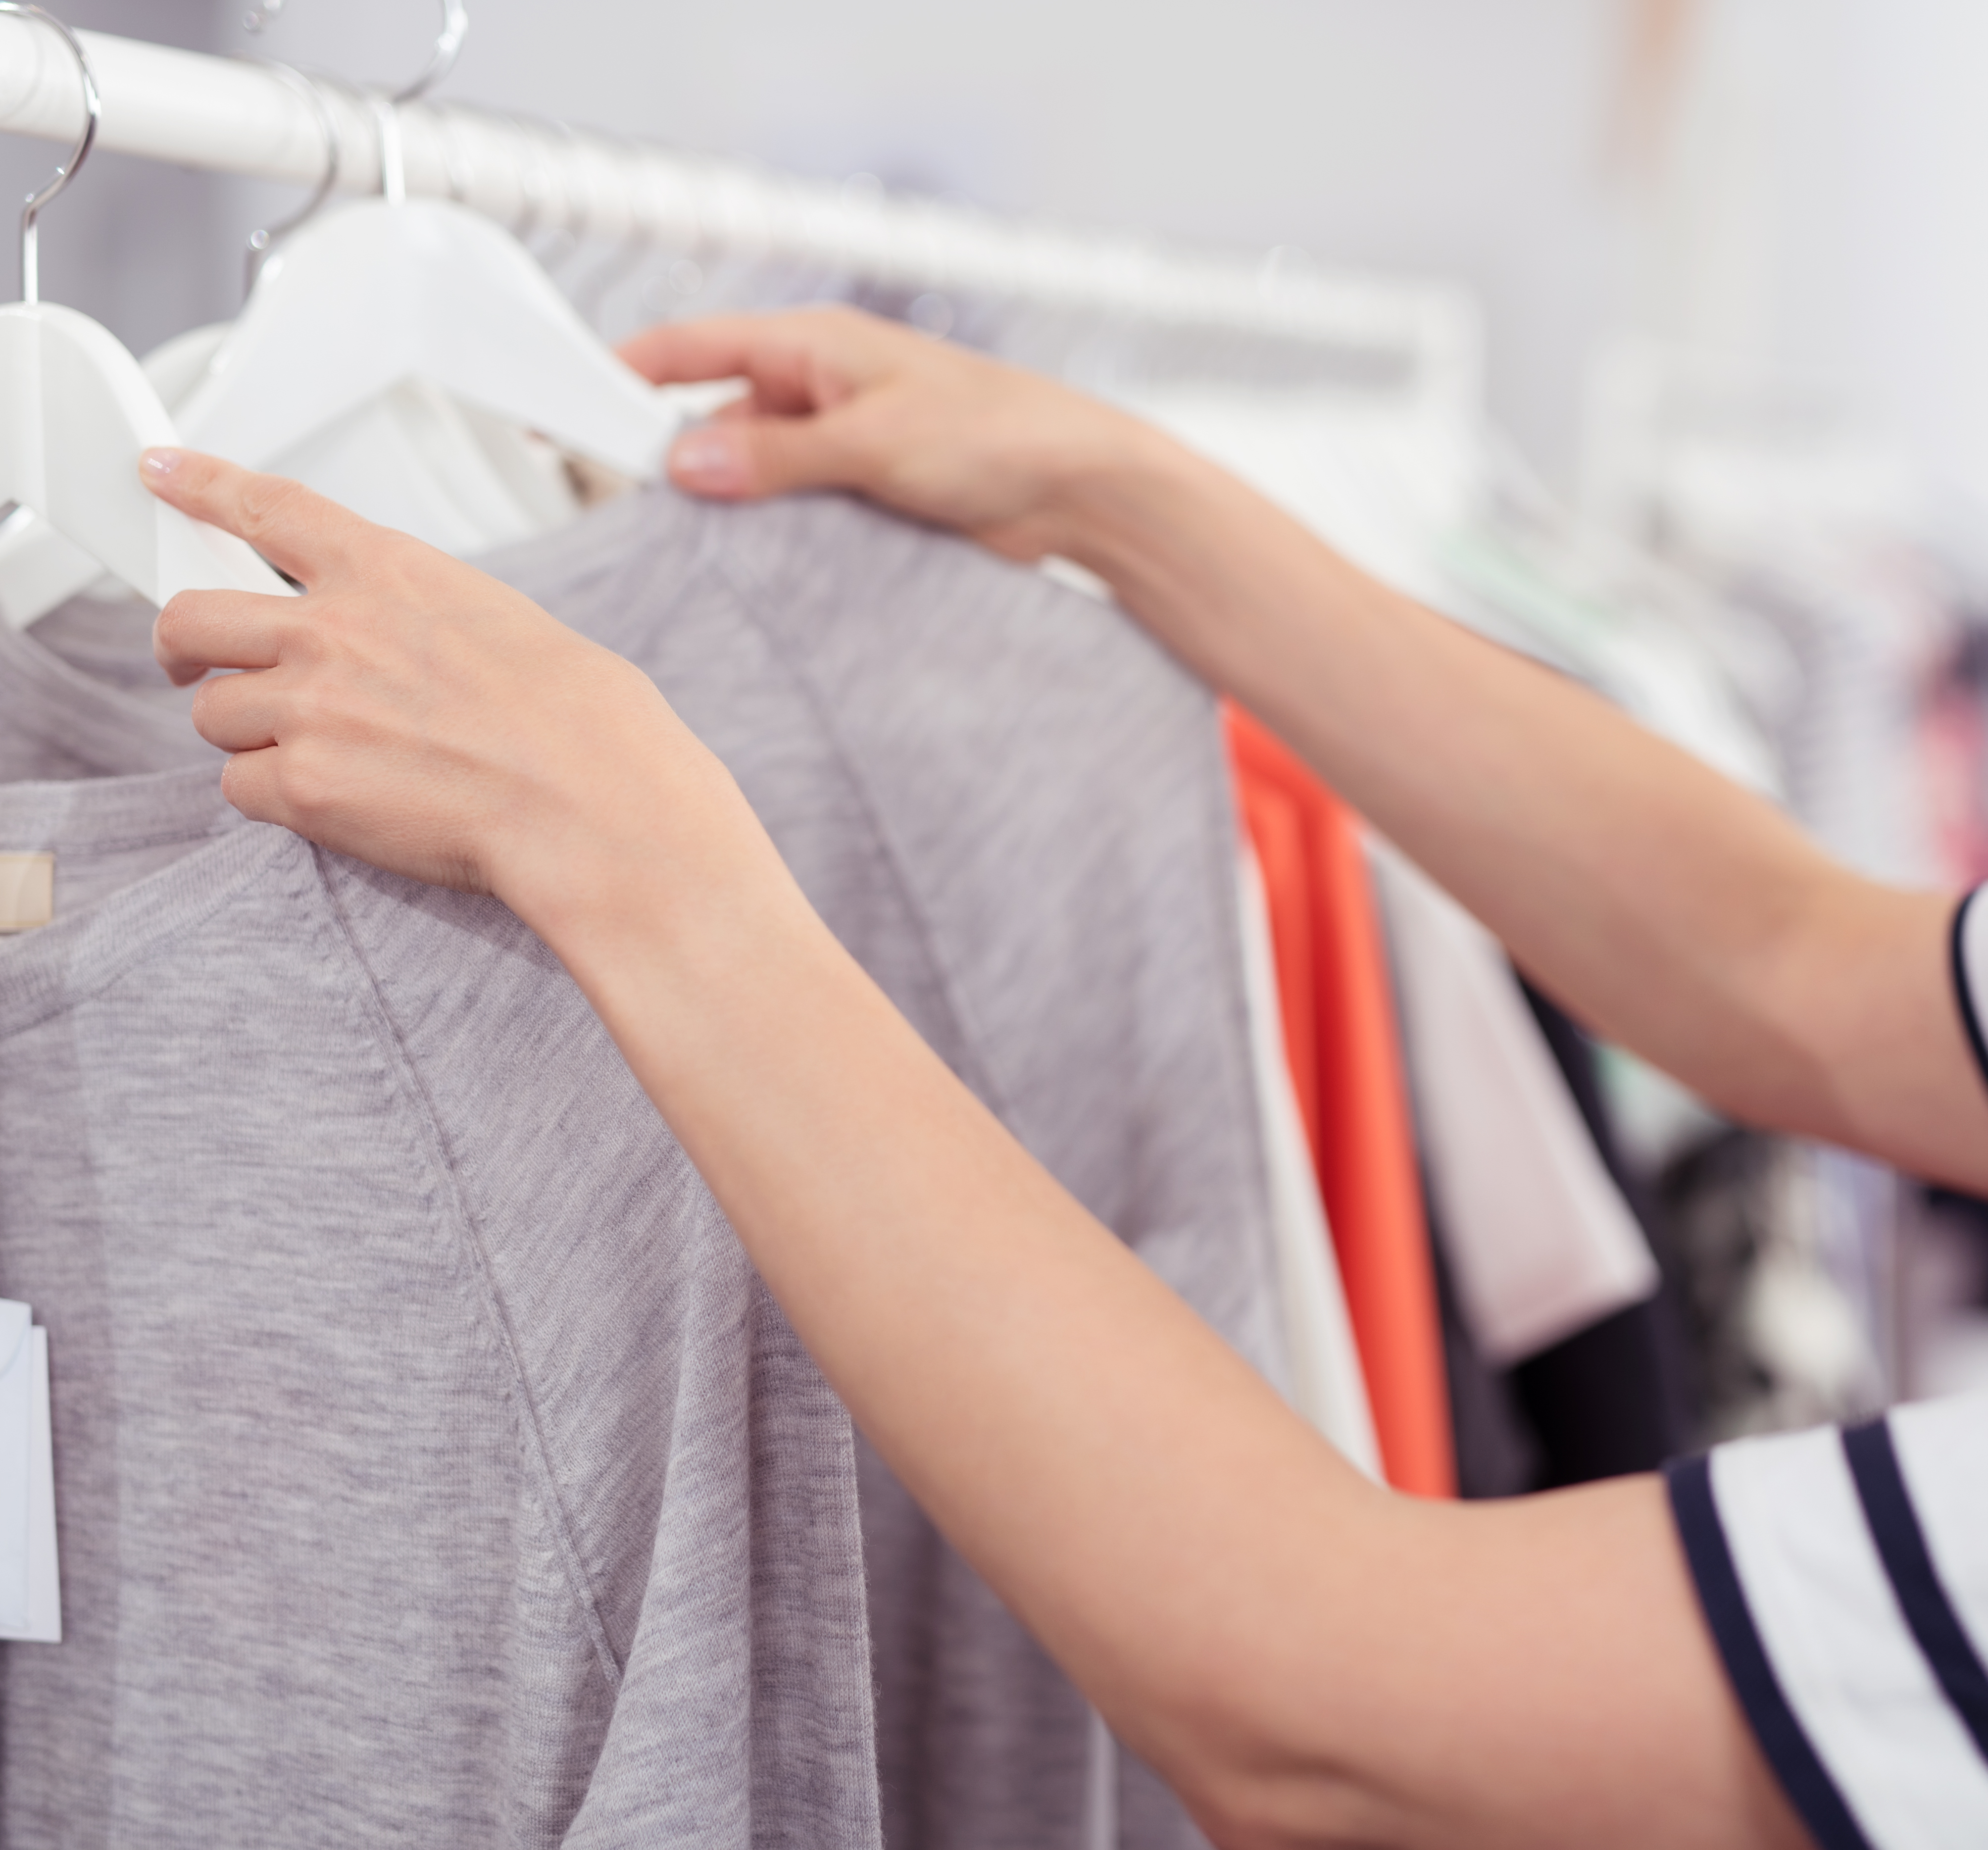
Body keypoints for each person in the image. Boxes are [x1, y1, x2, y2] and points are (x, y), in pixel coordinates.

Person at [135, 305, 1988, 1850]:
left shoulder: (1049, 759)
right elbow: (1798, 974)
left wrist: (637, 852)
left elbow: (1333, 1721)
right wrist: (1125, 498)